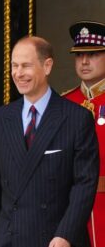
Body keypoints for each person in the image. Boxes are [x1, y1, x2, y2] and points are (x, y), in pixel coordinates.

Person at [0, 36, 99, 247]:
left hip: (56, 239)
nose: (18, 73)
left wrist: (66, 234)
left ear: (47, 66)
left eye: (26, 66)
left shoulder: (76, 118)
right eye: (14, 66)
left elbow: (85, 183)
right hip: (9, 239)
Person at [63, 20, 105, 247]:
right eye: (79, 55)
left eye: (94, 54)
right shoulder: (62, 103)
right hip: (69, 207)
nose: (85, 61)